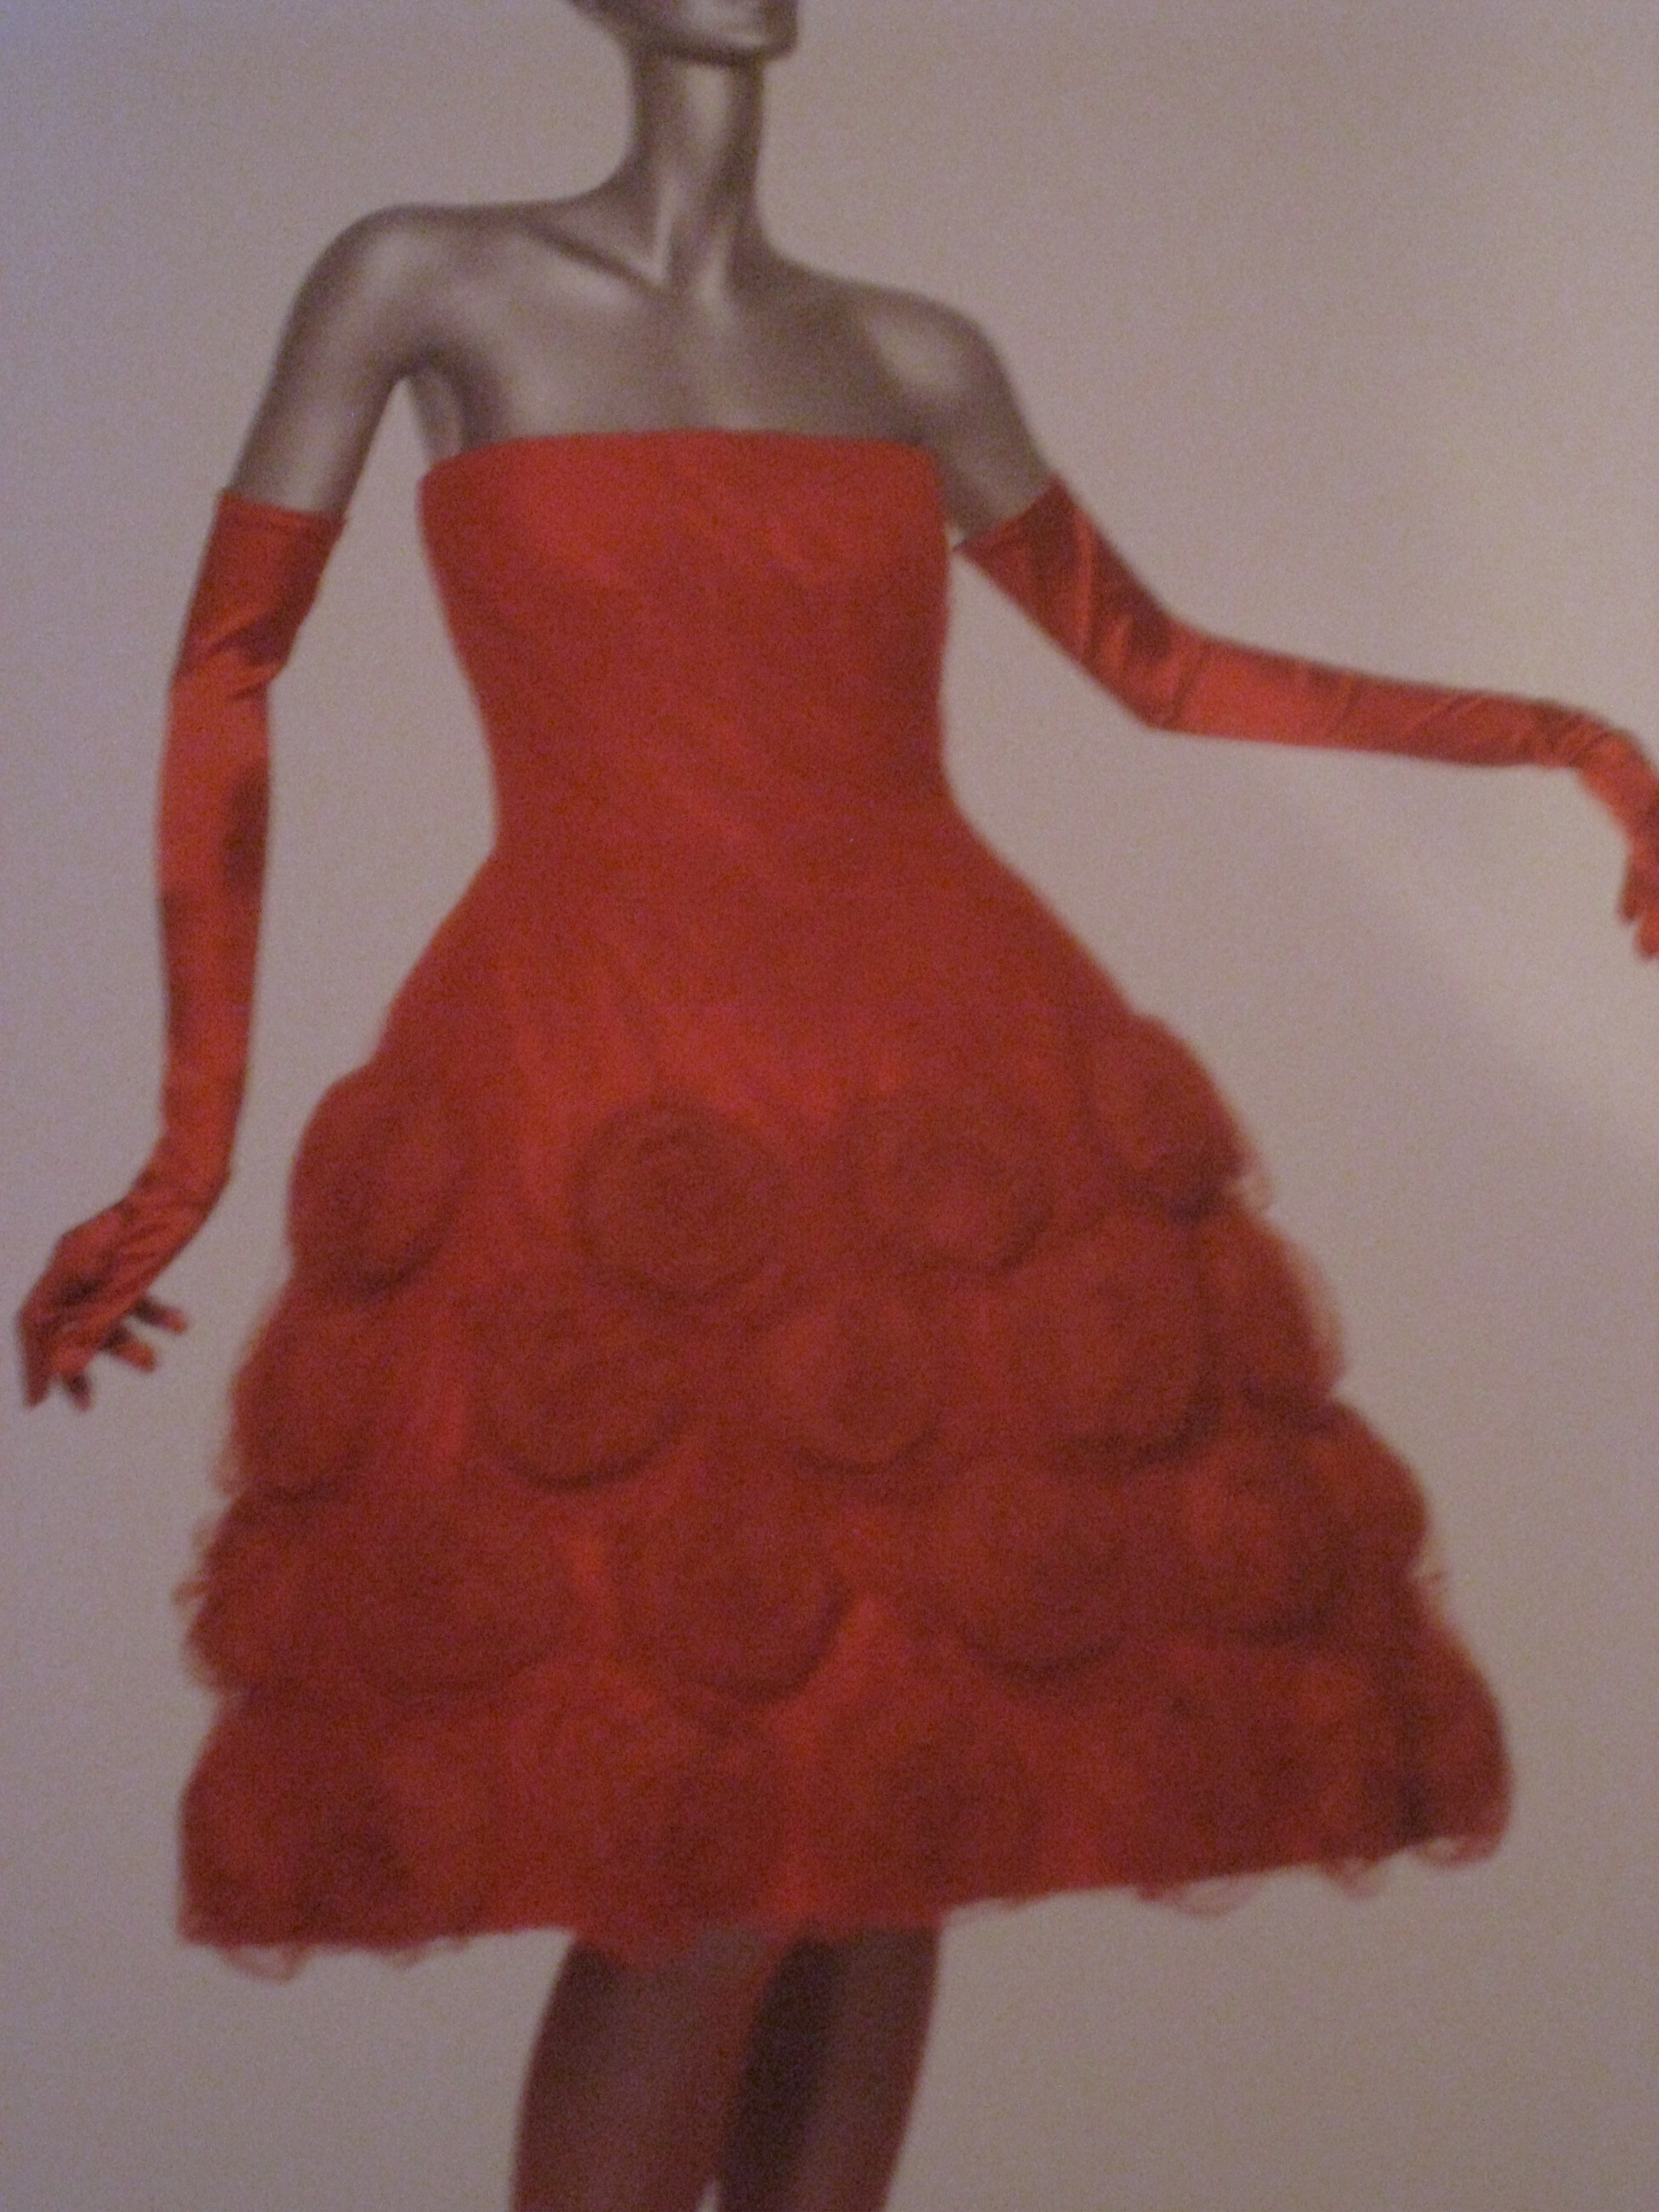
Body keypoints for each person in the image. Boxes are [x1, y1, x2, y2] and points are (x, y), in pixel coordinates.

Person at [17, 5, 1658, 2210]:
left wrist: (1569, 740)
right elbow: (229, 670)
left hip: (941, 1091)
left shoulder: (909, 352)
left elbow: (1158, 668)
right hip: (610, 1083)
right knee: (696, 1860)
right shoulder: (424, 276)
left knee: (900, 1818)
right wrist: (186, 1148)